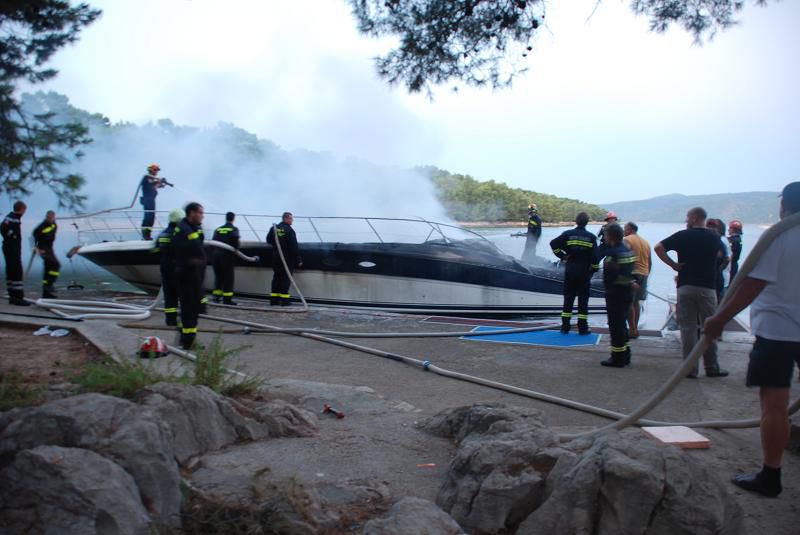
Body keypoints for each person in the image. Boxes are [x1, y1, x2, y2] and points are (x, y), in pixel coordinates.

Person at [704, 182, 800, 498]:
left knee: (775, 406)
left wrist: (718, 319)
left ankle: (770, 476)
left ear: (784, 206)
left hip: (778, 332)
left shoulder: (779, 236)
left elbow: (752, 285)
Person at [654, 207, 728, 378]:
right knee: (709, 327)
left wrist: (673, 265)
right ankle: (712, 367)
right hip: (707, 288)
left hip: (686, 286)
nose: (686, 221)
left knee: (687, 328)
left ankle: (690, 369)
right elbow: (723, 257)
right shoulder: (715, 237)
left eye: (688, 217)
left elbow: (658, 247)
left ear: (694, 218)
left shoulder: (682, 235)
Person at [549, 212, 599, 335]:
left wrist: (563, 256)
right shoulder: (591, 237)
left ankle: (565, 327)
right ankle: (583, 328)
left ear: (576, 221)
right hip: (584, 273)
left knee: (568, 299)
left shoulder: (568, 234)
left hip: (570, 271)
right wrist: (593, 269)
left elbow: (553, 244)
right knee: (583, 300)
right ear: (587, 222)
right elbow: (595, 258)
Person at [596, 223, 637, 367]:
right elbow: (631, 274)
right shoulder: (628, 251)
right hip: (628, 293)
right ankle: (626, 354)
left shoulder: (612, 254)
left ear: (610, 236)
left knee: (615, 326)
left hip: (615, 293)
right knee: (622, 324)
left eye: (606, 235)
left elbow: (609, 276)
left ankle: (617, 357)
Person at [173, 202, 206, 349]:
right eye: (200, 213)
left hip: (193, 275)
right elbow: (187, 251)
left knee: (192, 308)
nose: (202, 216)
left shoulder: (191, 228)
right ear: (192, 213)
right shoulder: (184, 229)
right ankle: (188, 342)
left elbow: (198, 246)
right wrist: (198, 260)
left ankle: (186, 338)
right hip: (188, 276)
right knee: (189, 309)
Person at [153, 208, 184, 327]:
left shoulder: (162, 233)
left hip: (165, 268)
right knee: (182, 294)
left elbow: (155, 250)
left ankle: (170, 320)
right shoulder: (178, 233)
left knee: (169, 295)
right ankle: (183, 320)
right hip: (177, 268)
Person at [266, 212, 302, 306]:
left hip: (276, 258)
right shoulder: (290, 230)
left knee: (276, 278)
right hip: (287, 259)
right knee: (285, 279)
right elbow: (294, 247)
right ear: (286, 219)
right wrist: (298, 260)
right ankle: (285, 301)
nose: (292, 220)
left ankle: (274, 300)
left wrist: (277, 244)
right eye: (291, 218)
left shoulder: (274, 228)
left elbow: (268, 240)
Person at [623, 222, 651, 339]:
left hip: (632, 274)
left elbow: (624, 256)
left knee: (628, 302)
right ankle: (634, 328)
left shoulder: (626, 239)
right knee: (636, 303)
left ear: (629, 230)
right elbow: (650, 261)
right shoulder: (646, 242)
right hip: (643, 274)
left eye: (625, 229)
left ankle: (632, 330)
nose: (624, 231)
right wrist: (646, 274)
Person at [1, 201, 29, 306]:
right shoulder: (12, 217)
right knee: (17, 272)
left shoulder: (14, 218)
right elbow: (3, 228)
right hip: (11, 249)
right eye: (24, 210)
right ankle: (18, 298)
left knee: (11, 271)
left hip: (11, 248)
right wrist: (13, 236)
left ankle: (12, 297)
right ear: (21, 209)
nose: (25, 212)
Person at [211, 211, 240, 305]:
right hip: (227, 257)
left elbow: (213, 242)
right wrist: (236, 249)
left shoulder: (218, 229)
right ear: (233, 219)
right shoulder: (233, 229)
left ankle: (216, 297)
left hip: (216, 256)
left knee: (218, 277)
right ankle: (227, 299)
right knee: (228, 278)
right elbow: (235, 242)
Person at [32, 211, 60, 299]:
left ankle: (46, 292)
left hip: (49, 248)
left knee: (49, 268)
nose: (51, 219)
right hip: (42, 248)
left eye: (52, 217)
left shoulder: (54, 225)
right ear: (47, 217)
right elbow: (34, 235)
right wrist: (35, 248)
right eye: (49, 217)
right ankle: (49, 285)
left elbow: (52, 233)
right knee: (55, 264)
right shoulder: (42, 226)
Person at [139, 163, 166, 240]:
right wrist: (159, 181)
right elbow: (151, 184)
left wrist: (162, 184)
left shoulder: (152, 179)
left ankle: (148, 235)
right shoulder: (147, 177)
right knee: (148, 217)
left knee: (151, 218)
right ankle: (145, 236)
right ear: (151, 170)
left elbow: (155, 185)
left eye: (157, 170)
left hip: (151, 200)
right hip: (148, 200)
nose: (157, 171)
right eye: (155, 170)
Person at [706, 218, 731, 301]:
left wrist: (717, 271)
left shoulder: (720, 241)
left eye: (713, 226)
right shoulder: (722, 240)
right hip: (721, 279)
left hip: (717, 280)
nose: (710, 229)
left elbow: (727, 259)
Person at [727, 220, 743, 285]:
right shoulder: (738, 240)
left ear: (733, 229)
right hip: (734, 265)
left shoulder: (732, 241)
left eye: (729, 228)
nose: (728, 230)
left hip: (730, 266)